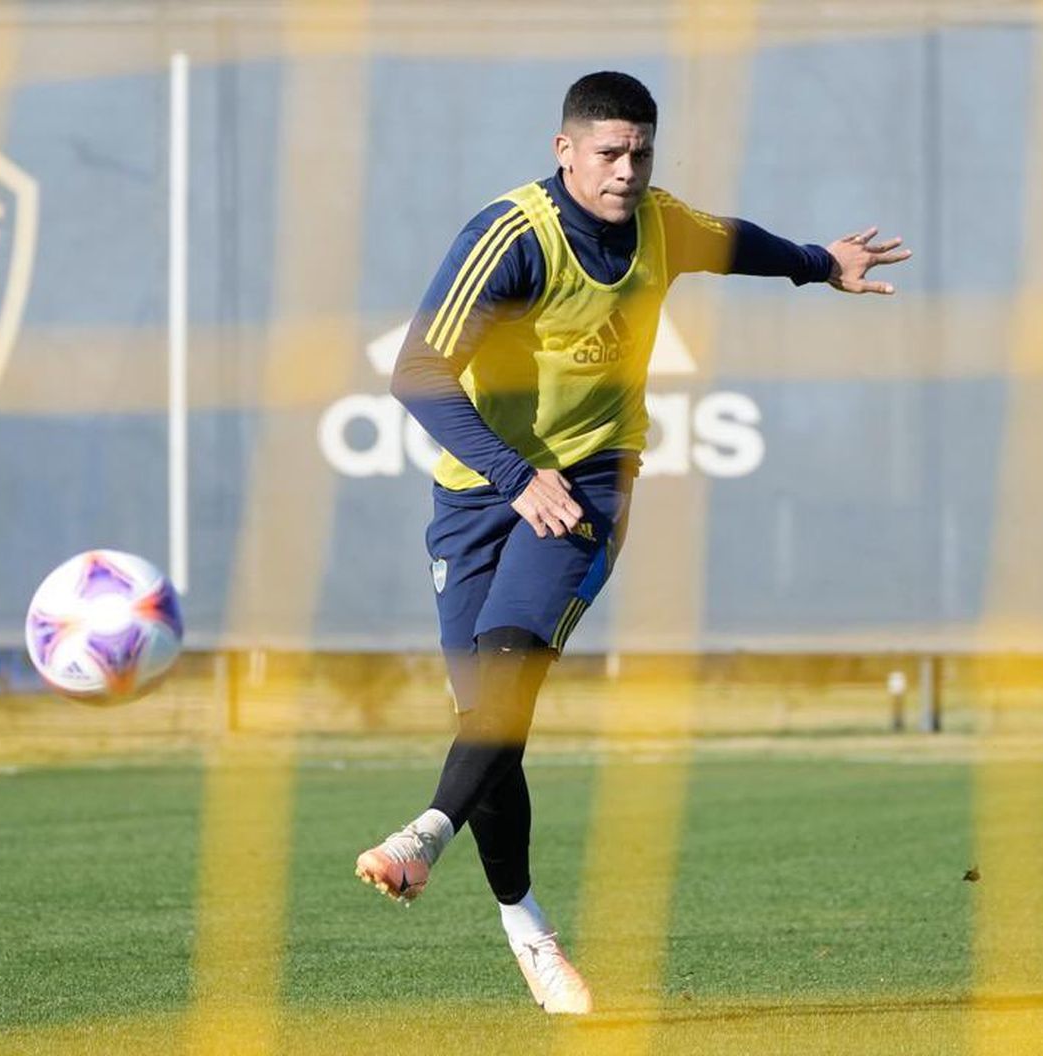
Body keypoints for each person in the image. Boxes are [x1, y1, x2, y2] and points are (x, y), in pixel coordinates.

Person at [354, 71, 911, 1015]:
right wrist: (513, 476)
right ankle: (529, 932)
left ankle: (426, 836)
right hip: (480, 492)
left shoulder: (658, 222)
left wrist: (822, 263)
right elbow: (416, 373)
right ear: (563, 149)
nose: (625, 170)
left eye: (640, 151)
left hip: (590, 481)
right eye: (607, 152)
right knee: (488, 725)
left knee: (508, 673)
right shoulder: (510, 239)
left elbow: (736, 243)